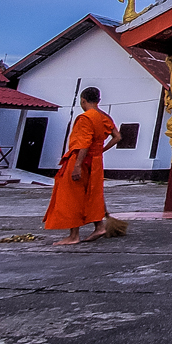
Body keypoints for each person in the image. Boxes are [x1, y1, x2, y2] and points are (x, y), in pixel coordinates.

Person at [43, 88, 118, 246]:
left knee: (71, 195)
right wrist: (101, 150)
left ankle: (73, 235)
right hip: (95, 161)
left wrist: (77, 165)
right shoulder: (102, 116)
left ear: (83, 100)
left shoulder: (85, 117)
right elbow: (117, 137)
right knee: (91, 194)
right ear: (98, 100)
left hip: (80, 160)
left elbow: (83, 144)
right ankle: (99, 226)